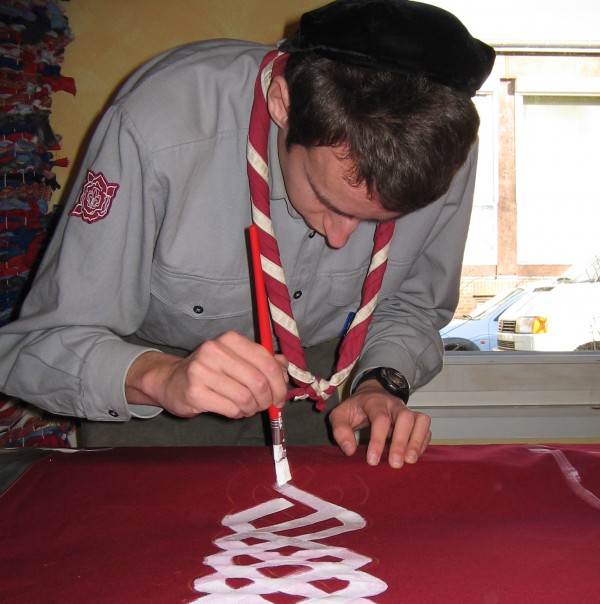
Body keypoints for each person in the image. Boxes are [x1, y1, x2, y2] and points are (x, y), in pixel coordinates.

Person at [0, 0, 494, 468]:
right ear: (282, 104)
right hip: (155, 385)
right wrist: (161, 378)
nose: (342, 239)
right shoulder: (159, 124)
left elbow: (411, 305)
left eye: (380, 218)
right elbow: (37, 347)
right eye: (326, 200)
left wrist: (380, 383)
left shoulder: (442, 149)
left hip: (326, 383)